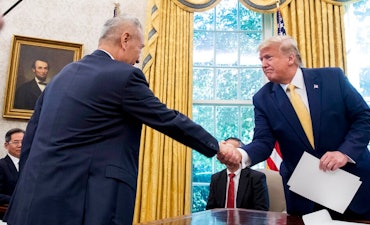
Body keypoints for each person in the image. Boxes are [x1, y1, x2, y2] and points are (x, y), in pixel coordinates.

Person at [4, 15, 219, 225]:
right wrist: (217, 147)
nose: (138, 59)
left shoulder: (61, 76)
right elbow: (166, 118)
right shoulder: (124, 76)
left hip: (33, 203)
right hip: (86, 206)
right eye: (140, 48)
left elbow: (30, 137)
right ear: (125, 39)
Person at [217, 35, 370, 221]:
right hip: (307, 197)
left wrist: (344, 153)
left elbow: (364, 118)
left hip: (354, 189)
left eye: (268, 57)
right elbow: (263, 142)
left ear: (290, 58)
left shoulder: (332, 78)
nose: (263, 64)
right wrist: (240, 154)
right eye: (261, 60)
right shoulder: (262, 98)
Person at [206, 137, 269, 211]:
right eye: (225, 151)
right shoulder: (216, 178)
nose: (228, 155)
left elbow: (261, 210)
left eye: (232, 151)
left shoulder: (256, 178)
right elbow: (210, 209)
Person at [0, 128, 24, 219]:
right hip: (6, 215)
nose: (20, 145)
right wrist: (18, 200)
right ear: (6, 145)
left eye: (23, 142)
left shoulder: (32, 165)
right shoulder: (1, 166)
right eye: (16, 142)